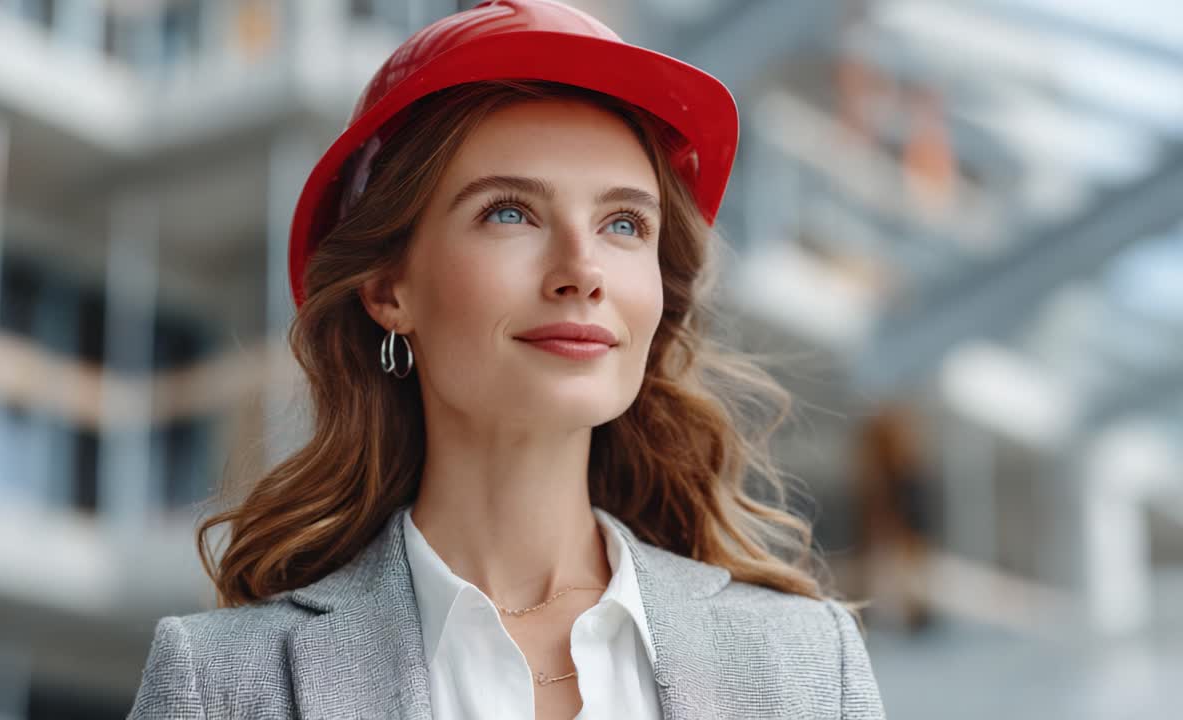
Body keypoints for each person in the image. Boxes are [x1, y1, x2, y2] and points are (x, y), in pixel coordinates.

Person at [129, 1, 886, 718]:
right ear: (388, 288)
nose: (582, 269)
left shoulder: (809, 665)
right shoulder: (221, 683)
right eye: (510, 212)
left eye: (624, 223)